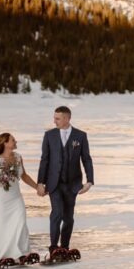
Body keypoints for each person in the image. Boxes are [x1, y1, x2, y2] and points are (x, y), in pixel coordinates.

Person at [0, 132, 39, 268]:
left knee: (20, 222)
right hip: (2, 199)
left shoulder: (18, 157)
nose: (16, 142)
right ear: (5, 143)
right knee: (2, 225)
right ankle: (0, 255)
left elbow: (24, 176)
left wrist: (37, 187)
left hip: (16, 198)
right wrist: (0, 180)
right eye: (13, 140)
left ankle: (21, 253)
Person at [36, 105, 94, 255]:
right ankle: (54, 247)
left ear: (67, 118)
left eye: (57, 118)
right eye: (54, 118)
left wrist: (89, 181)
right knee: (57, 213)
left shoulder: (80, 136)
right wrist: (40, 183)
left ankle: (65, 247)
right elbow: (45, 160)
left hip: (73, 184)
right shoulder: (49, 135)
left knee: (68, 217)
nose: (54, 121)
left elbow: (86, 159)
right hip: (54, 183)